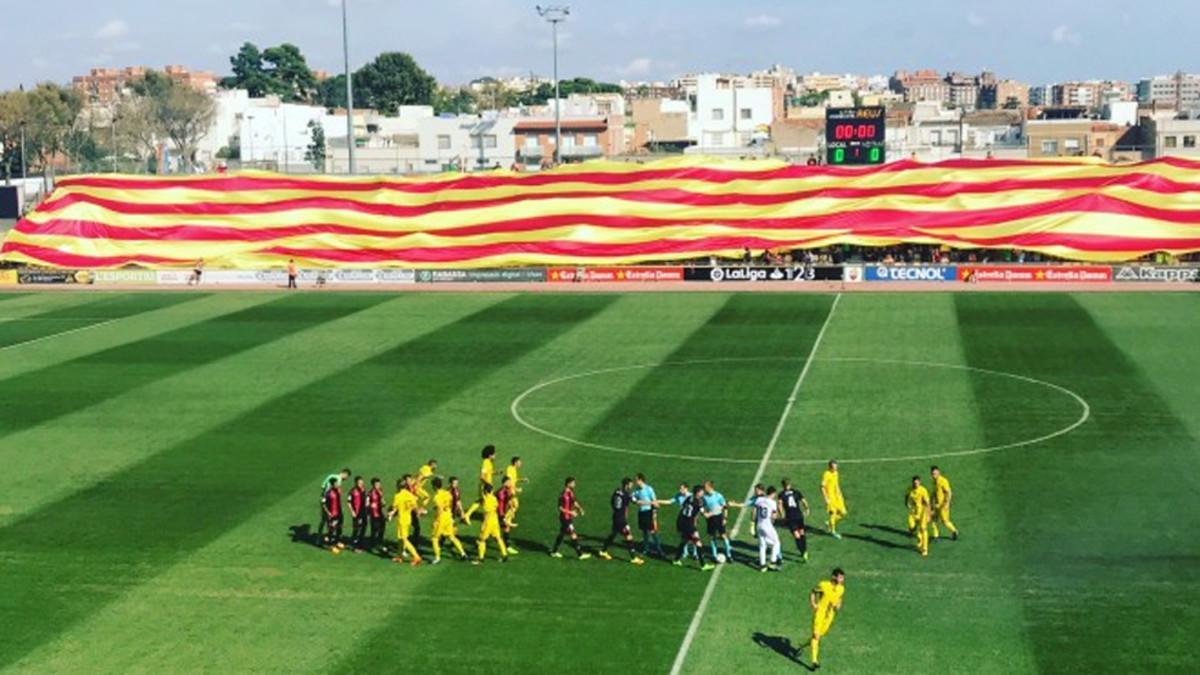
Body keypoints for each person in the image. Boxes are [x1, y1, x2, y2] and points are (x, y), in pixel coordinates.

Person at [599, 478, 645, 565]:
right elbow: (637, 502)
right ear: (627, 485)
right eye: (631, 484)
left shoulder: (617, 491)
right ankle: (633, 558)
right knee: (629, 536)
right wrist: (650, 503)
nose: (632, 486)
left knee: (613, 534)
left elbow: (612, 501)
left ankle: (603, 551)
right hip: (620, 519)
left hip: (616, 516)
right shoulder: (626, 495)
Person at [808, 568, 846, 670]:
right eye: (840, 577)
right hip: (820, 613)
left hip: (830, 615)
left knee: (820, 634)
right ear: (834, 577)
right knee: (816, 636)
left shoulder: (841, 588)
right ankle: (814, 661)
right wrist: (813, 604)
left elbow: (840, 598)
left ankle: (811, 641)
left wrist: (839, 605)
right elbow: (813, 592)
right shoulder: (823, 585)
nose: (842, 580)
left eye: (843, 578)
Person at [673, 485, 713, 570]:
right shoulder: (698, 502)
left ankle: (676, 559)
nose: (703, 493)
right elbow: (704, 514)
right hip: (688, 524)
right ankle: (703, 565)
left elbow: (683, 508)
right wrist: (712, 513)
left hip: (681, 521)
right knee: (698, 543)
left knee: (684, 541)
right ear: (698, 493)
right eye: (702, 492)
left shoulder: (689, 498)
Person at [550, 477, 591, 560]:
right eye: (573, 483)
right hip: (565, 518)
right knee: (573, 534)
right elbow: (560, 508)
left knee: (561, 534)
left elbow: (574, 502)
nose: (574, 484)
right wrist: (571, 512)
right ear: (568, 484)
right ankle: (580, 554)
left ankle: (554, 552)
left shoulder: (571, 493)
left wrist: (580, 509)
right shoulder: (563, 495)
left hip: (568, 518)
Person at [388, 475, 425, 566]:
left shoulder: (398, 496)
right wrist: (418, 513)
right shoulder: (410, 495)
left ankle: (416, 556)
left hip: (402, 520)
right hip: (408, 518)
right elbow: (415, 507)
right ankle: (399, 556)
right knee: (400, 538)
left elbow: (394, 508)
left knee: (404, 539)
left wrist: (391, 514)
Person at [430, 477, 467, 564]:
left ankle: (437, 557)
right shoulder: (447, 493)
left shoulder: (436, 497)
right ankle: (463, 553)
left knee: (434, 538)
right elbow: (450, 503)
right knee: (451, 537)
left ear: (434, 487)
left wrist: (435, 521)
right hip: (449, 516)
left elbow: (439, 510)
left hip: (441, 519)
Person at [702, 480, 738, 563]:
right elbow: (703, 506)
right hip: (710, 519)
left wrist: (725, 518)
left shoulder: (718, 496)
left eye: (705, 487)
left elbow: (725, 507)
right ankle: (714, 555)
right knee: (712, 537)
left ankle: (729, 555)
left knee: (723, 536)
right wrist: (704, 513)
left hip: (718, 517)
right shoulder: (704, 497)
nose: (704, 489)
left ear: (710, 487)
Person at [632, 473, 667, 557]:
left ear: (641, 480)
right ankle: (646, 549)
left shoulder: (649, 489)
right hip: (641, 513)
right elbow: (633, 499)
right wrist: (634, 500)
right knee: (644, 531)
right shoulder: (637, 490)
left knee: (653, 531)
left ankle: (659, 550)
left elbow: (654, 501)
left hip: (648, 512)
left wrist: (654, 513)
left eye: (636, 480)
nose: (635, 482)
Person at [474, 483, 509, 564]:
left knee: (482, 540)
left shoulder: (485, 498)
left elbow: (480, 494)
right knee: (498, 538)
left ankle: (481, 558)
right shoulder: (494, 498)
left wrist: (480, 486)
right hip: (495, 519)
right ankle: (504, 554)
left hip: (488, 520)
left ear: (485, 491)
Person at [779, 478, 811, 562]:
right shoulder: (796, 492)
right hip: (797, 516)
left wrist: (782, 516)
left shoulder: (782, 494)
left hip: (792, 517)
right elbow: (804, 501)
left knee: (798, 535)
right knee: (800, 534)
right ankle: (804, 551)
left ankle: (803, 551)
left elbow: (779, 505)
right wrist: (807, 509)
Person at [464, 445, 497, 522]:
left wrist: (496, 472)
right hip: (486, 487)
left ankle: (467, 515)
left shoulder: (489, 462)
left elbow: (488, 472)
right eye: (494, 454)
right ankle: (488, 518)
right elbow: (482, 476)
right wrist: (488, 484)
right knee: (489, 502)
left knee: (480, 501)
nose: (495, 456)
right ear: (490, 455)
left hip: (487, 486)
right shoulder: (485, 462)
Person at [753, 485, 782, 572]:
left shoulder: (759, 500)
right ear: (773, 493)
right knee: (776, 543)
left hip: (759, 524)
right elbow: (774, 516)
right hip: (767, 525)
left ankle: (763, 565)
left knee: (762, 545)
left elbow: (754, 511)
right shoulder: (772, 503)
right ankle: (772, 562)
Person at [317, 468, 350, 542]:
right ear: (345, 474)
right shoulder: (337, 479)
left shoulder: (332, 476)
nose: (346, 479)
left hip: (329, 502)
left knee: (326, 521)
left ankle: (323, 537)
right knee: (329, 521)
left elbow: (322, 486)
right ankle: (327, 539)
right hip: (329, 503)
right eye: (347, 477)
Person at [930, 466, 959, 541]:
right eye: (933, 474)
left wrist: (947, 504)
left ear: (939, 472)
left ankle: (954, 531)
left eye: (935, 473)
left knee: (945, 521)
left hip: (942, 505)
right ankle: (936, 536)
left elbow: (949, 492)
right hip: (936, 505)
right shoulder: (934, 481)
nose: (934, 475)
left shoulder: (943, 481)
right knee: (933, 520)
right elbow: (934, 492)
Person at [906, 475, 931, 557]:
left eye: (917, 483)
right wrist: (908, 505)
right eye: (914, 483)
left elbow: (927, 503)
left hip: (922, 512)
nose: (915, 484)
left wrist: (928, 515)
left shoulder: (923, 490)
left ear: (919, 482)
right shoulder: (909, 489)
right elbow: (906, 497)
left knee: (923, 529)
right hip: (913, 512)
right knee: (911, 526)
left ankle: (925, 549)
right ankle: (918, 537)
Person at [821, 460, 847, 540]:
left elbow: (836, 484)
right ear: (829, 467)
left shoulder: (836, 473)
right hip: (830, 498)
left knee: (843, 513)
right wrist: (826, 498)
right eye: (833, 467)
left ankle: (829, 523)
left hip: (838, 497)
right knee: (832, 514)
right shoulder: (826, 474)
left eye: (836, 467)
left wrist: (840, 492)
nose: (835, 469)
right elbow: (822, 487)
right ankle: (833, 531)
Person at [495, 476, 519, 554]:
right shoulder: (501, 492)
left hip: (503, 512)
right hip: (500, 513)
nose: (510, 483)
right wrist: (503, 516)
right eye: (509, 482)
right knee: (503, 528)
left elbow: (510, 500)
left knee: (505, 528)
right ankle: (506, 546)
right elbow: (502, 503)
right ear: (504, 483)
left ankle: (506, 546)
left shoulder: (506, 490)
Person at [504, 456, 527, 528]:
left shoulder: (513, 469)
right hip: (509, 490)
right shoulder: (510, 469)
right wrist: (516, 489)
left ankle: (508, 520)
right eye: (519, 462)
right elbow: (509, 481)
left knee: (511, 506)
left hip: (511, 489)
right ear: (515, 463)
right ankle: (505, 519)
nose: (521, 463)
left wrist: (521, 480)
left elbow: (514, 479)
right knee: (515, 505)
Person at [322, 480, 345, 552]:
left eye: (338, 483)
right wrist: (328, 513)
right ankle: (330, 545)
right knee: (332, 530)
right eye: (336, 484)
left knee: (339, 528)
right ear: (332, 485)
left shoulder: (338, 490)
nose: (338, 485)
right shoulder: (328, 493)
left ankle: (337, 542)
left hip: (339, 513)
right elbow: (323, 504)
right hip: (332, 514)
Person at [347, 476, 367, 552]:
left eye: (362, 483)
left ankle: (360, 544)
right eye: (359, 483)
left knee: (363, 528)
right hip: (357, 513)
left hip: (364, 512)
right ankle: (354, 546)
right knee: (357, 529)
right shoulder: (352, 491)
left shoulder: (364, 489)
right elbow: (348, 502)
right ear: (356, 483)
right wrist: (352, 511)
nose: (361, 484)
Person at [366, 477, 387, 552]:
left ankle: (380, 543)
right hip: (374, 514)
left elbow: (383, 502)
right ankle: (373, 545)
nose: (378, 485)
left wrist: (383, 502)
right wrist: (370, 506)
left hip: (380, 514)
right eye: (377, 484)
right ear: (373, 485)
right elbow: (367, 504)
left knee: (382, 529)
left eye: (379, 484)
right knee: (375, 530)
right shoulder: (370, 493)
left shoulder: (380, 491)